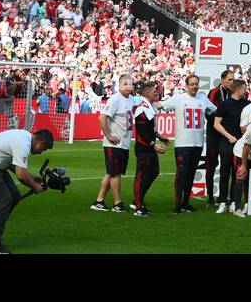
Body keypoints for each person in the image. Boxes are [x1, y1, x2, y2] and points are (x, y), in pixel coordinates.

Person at [0, 128, 55, 254]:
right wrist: (35, 186)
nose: (41, 152)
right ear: (41, 143)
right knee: (5, 200)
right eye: (43, 149)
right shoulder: (23, 144)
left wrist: (32, 178)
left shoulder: (24, 137)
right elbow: (21, 175)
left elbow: (14, 165)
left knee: (14, 196)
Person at [159, 74, 213, 213]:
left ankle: (185, 202)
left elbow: (215, 111)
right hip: (183, 144)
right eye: (192, 84)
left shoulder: (203, 98)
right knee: (181, 173)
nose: (194, 86)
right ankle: (177, 204)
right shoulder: (178, 98)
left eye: (196, 84)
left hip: (198, 143)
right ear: (187, 85)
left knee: (191, 174)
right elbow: (160, 105)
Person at [91, 75, 134, 213]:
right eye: (125, 84)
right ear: (119, 85)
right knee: (115, 174)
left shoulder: (131, 99)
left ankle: (99, 201)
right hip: (114, 143)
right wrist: (109, 135)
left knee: (111, 173)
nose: (128, 86)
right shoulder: (115, 99)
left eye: (130, 84)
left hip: (124, 142)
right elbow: (102, 117)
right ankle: (117, 203)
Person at [131, 81, 169, 217]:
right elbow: (141, 133)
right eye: (154, 91)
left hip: (149, 147)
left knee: (154, 172)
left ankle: (138, 200)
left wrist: (161, 137)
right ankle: (138, 205)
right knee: (141, 176)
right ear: (147, 93)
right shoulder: (142, 109)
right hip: (143, 148)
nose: (157, 93)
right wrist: (154, 144)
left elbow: (150, 130)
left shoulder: (150, 106)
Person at [212, 79, 249, 213]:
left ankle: (234, 201)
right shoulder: (224, 104)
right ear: (238, 89)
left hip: (241, 145)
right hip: (226, 143)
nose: (246, 90)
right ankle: (222, 201)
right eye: (244, 88)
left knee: (237, 173)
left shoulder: (247, 104)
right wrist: (229, 137)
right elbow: (216, 124)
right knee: (224, 172)